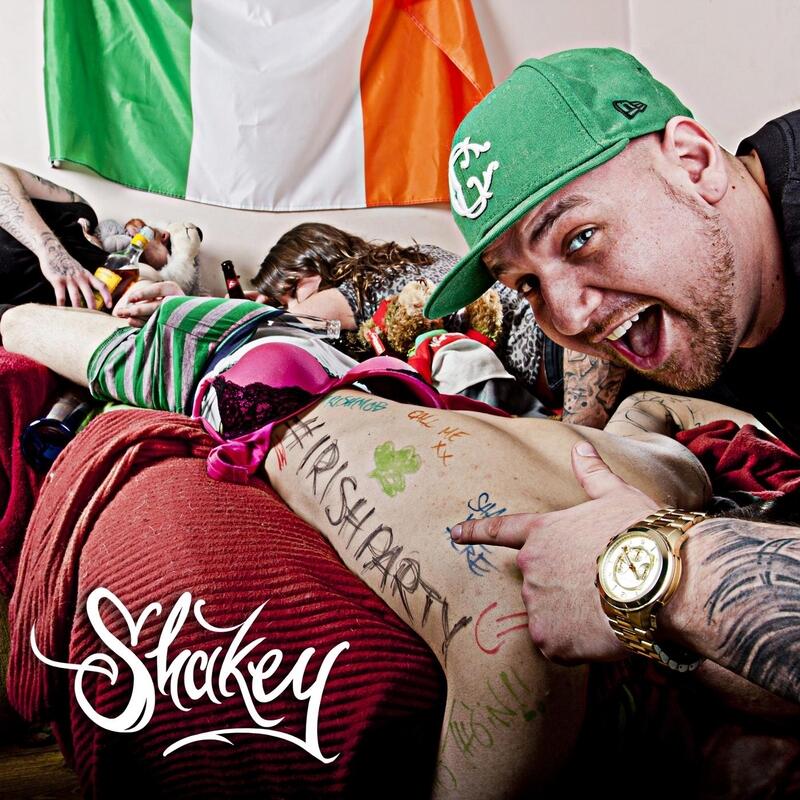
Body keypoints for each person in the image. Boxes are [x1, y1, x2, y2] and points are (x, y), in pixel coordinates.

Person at [1, 295, 744, 797]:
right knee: (28, 325)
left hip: (316, 378)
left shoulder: (667, 475)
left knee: (47, 330)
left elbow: (652, 411)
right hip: (268, 366)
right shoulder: (654, 486)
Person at [419, 48, 800, 704]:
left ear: (694, 163)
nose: (568, 315)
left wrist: (655, 572)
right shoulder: (710, 299)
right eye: (528, 285)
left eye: (580, 238)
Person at [253, 222, 628, 425]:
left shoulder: (356, 287)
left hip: (551, 353)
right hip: (557, 344)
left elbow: (277, 327)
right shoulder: (415, 256)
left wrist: (257, 310)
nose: (294, 304)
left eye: (290, 292)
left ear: (310, 270)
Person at [0, 162, 174, 310]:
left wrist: (143, 299)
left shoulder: (122, 272)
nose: (166, 236)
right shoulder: (82, 209)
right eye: (158, 233)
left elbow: (143, 284)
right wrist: (51, 251)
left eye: (172, 249)